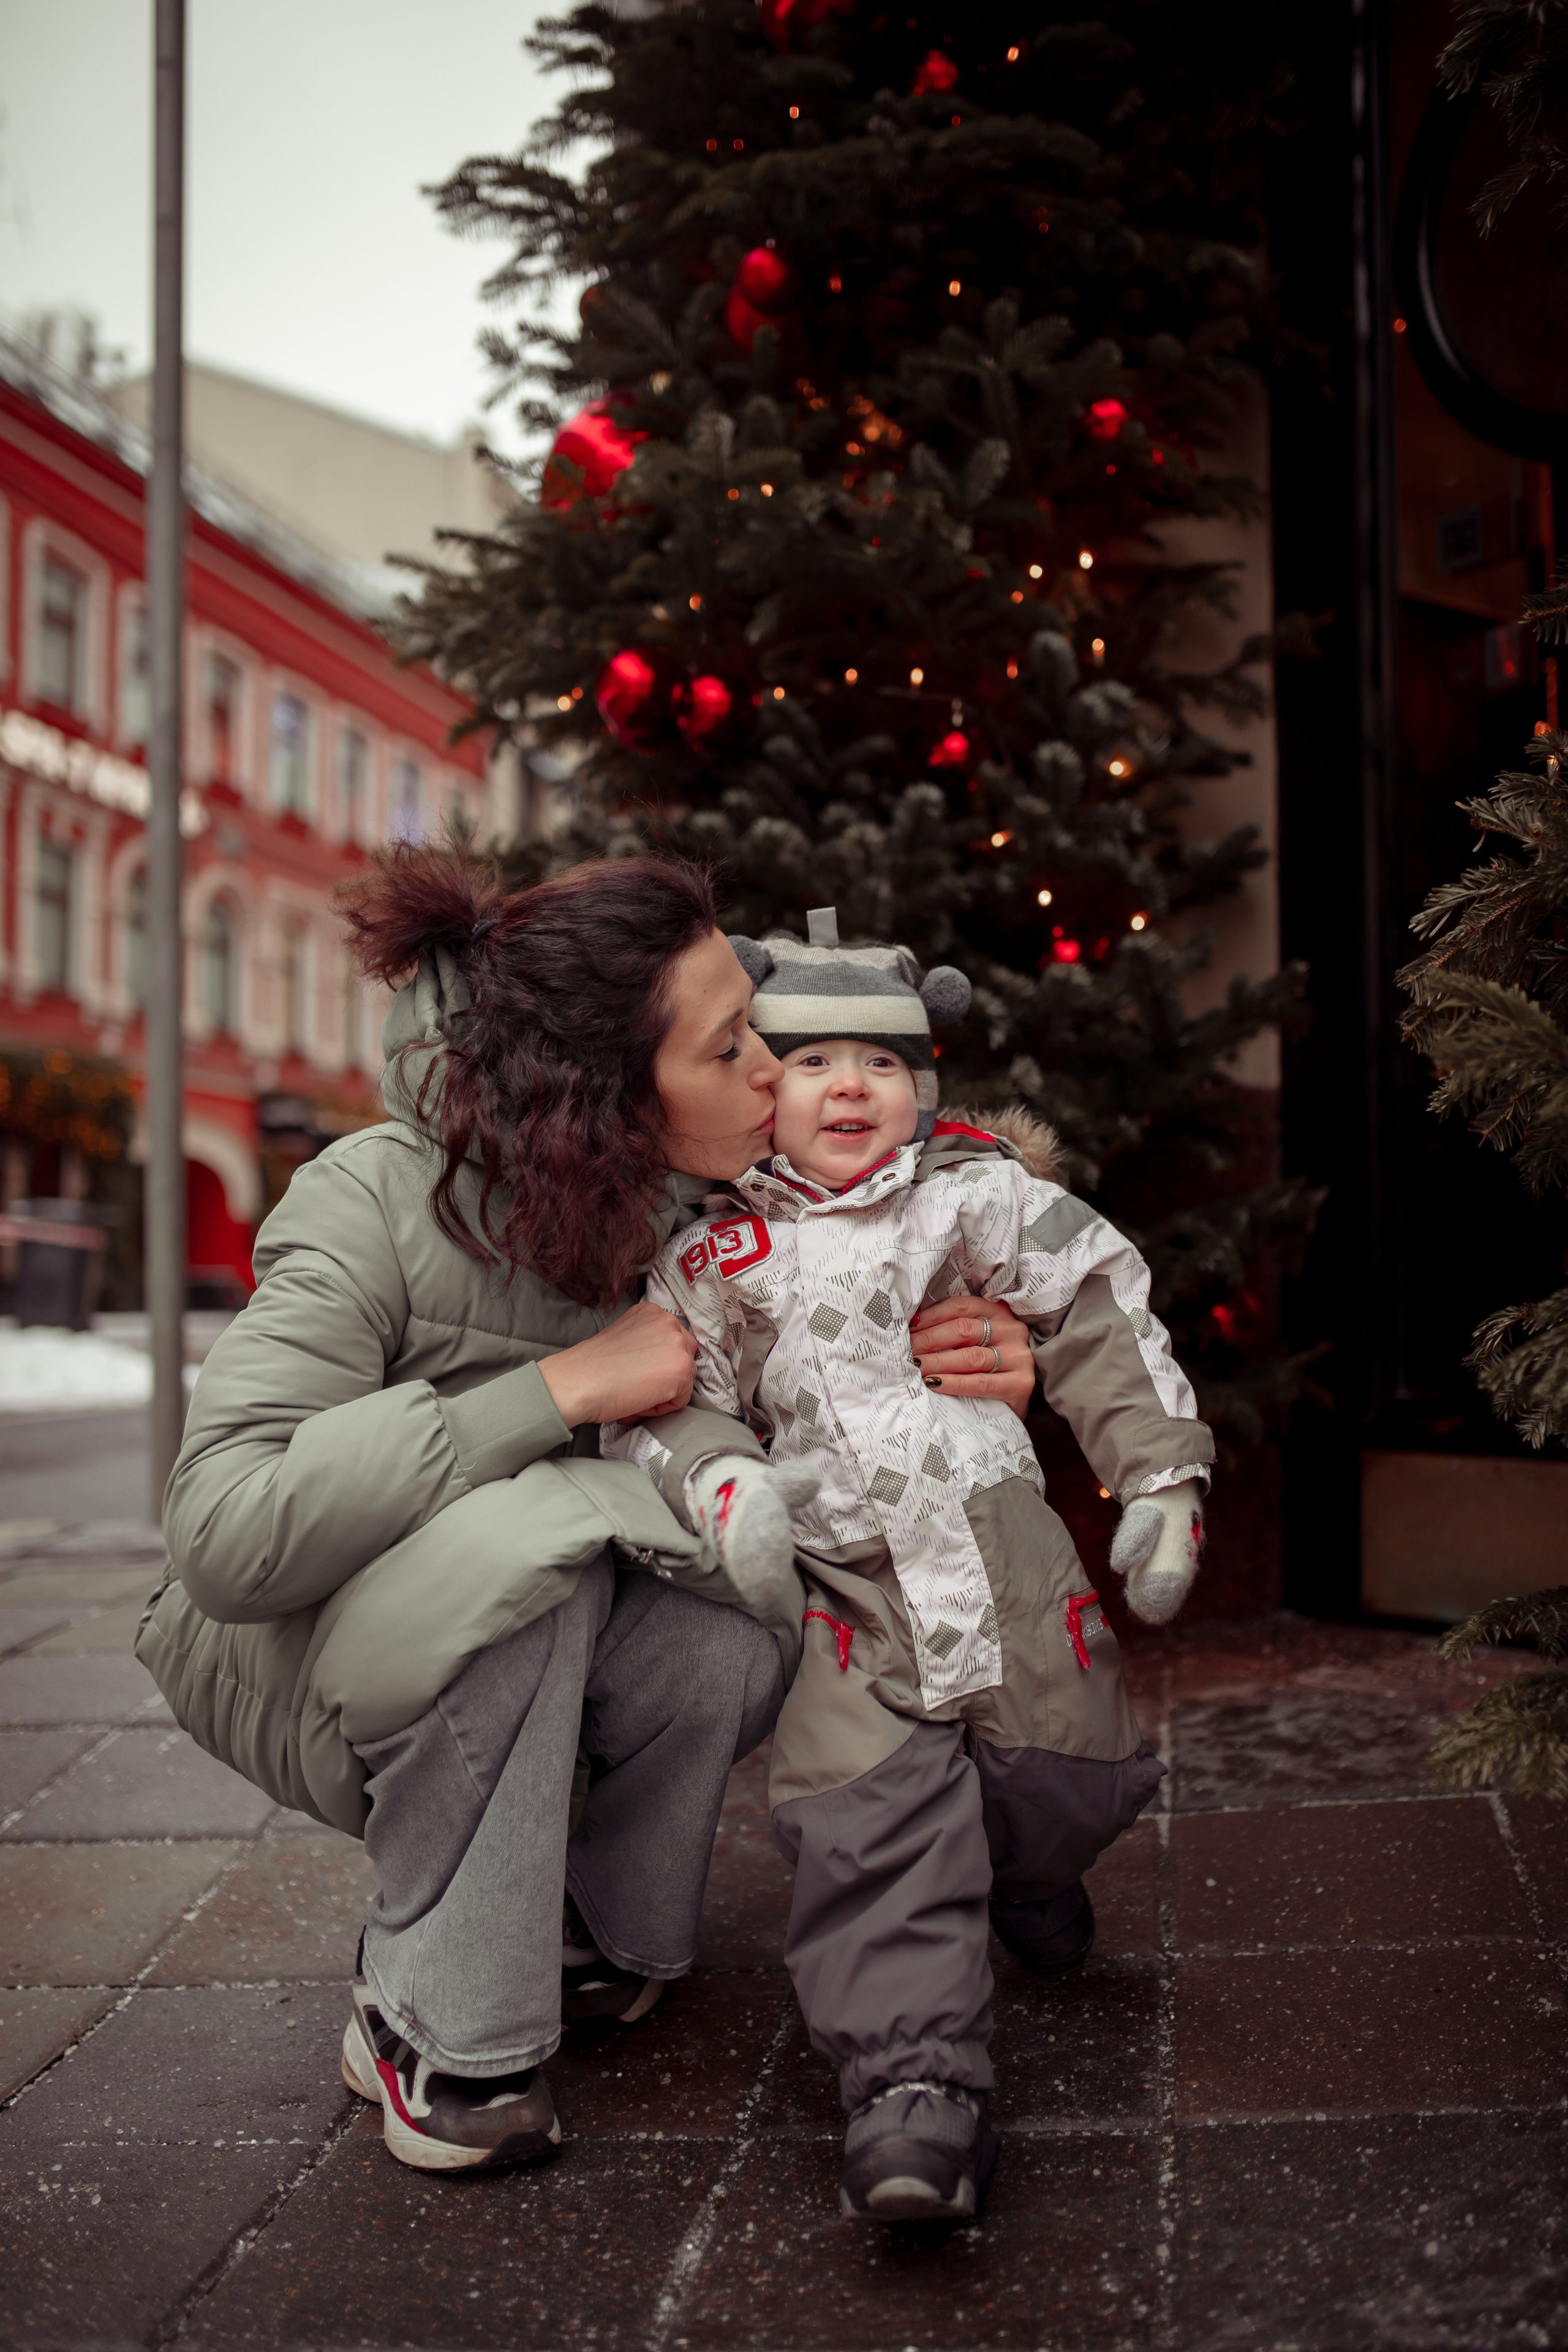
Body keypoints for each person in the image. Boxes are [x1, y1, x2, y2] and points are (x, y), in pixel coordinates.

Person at [136, 851, 1037, 2175]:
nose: (774, 1074)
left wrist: (969, 1359)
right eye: (730, 1050)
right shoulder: (370, 1199)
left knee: (729, 1628)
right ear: (606, 1091)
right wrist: (556, 1389)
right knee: (531, 1565)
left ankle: (586, 1930)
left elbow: (885, 1281)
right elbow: (224, 1531)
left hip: (524, 1607)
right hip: (293, 1650)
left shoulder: (703, 1198)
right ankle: (431, 2020)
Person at [604, 909, 1212, 2220]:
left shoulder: (972, 1198)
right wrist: (727, 1483)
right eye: (812, 1061)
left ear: (921, 1087)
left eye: (880, 1063)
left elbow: (1098, 1305)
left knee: (1070, 1771)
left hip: (1000, 1555)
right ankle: (911, 2091)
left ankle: (1028, 1873)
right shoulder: (716, 1251)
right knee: (868, 1816)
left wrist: (1162, 1477)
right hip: (843, 1584)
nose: (849, 1087)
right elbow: (666, 1399)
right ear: (759, 1087)